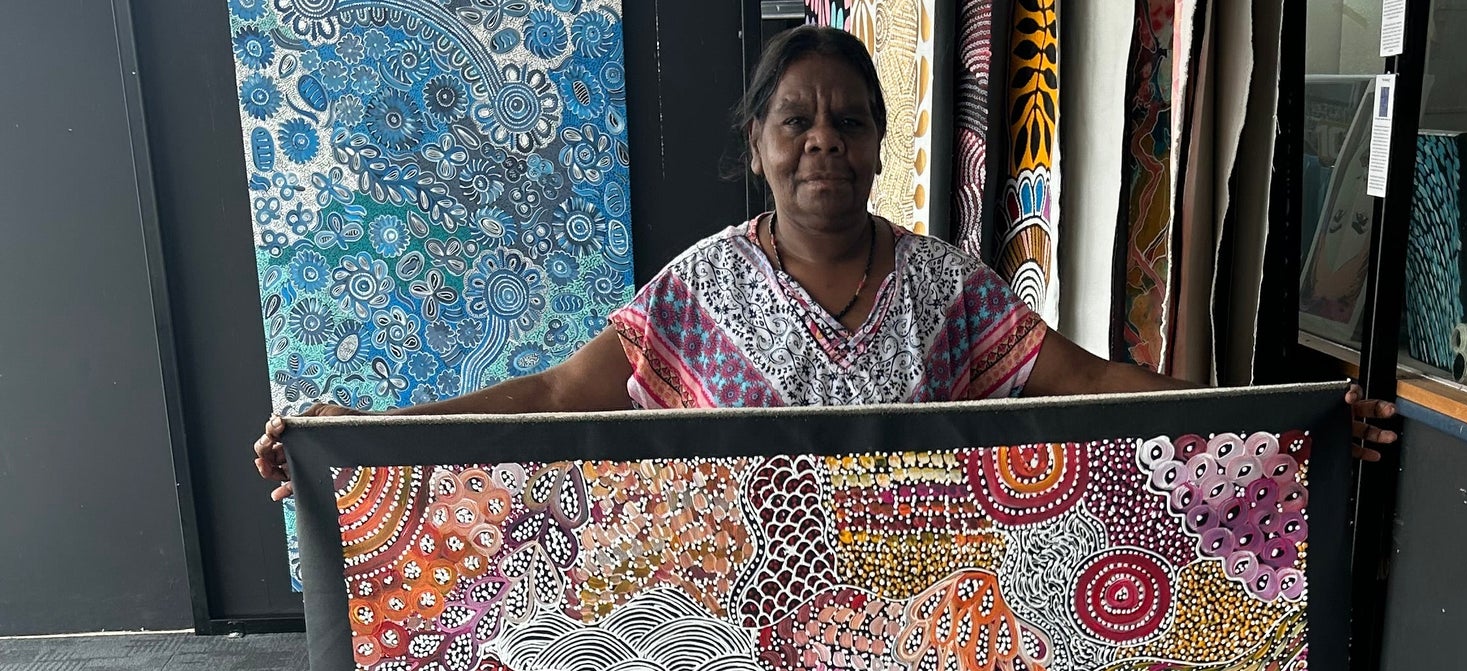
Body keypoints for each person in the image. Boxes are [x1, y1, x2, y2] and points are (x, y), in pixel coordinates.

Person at [254, 25, 1395, 498]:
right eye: (795, 121)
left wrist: (1287, 418)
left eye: (849, 121)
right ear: (757, 143)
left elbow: (1090, 383)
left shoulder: (950, 290)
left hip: (925, 643)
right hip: (740, 641)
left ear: (881, 144)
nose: (822, 144)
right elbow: (558, 397)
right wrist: (360, 439)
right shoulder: (695, 293)